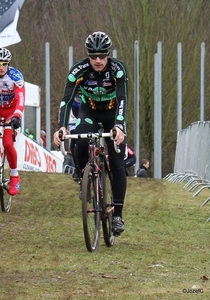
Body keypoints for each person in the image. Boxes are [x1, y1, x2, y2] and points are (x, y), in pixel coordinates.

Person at [54, 31, 128, 236]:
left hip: (114, 115)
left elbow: (122, 98)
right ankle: (82, 174)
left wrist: (120, 125)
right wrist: (61, 126)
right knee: (80, 139)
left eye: (102, 56)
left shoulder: (117, 69)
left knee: (117, 162)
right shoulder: (78, 70)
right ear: (88, 55)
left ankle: (118, 215)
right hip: (89, 113)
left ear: (108, 55)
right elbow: (66, 100)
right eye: (93, 56)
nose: (97, 60)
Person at [0, 47, 25, 195]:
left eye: (4, 64)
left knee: (8, 144)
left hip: (11, 111)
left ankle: (14, 175)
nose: (1, 67)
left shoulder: (15, 76)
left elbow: (20, 97)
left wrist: (17, 115)